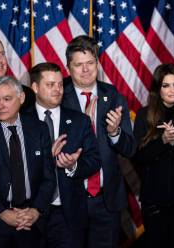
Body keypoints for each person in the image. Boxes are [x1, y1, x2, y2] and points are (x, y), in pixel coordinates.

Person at [60, 35, 136, 248]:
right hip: (70, 200)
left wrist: (115, 132)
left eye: (90, 63)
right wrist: (82, 122)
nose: (85, 69)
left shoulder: (112, 95)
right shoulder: (58, 95)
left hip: (106, 201)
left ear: (98, 63)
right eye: (78, 64)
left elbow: (130, 148)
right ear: (68, 67)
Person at [0, 76, 56, 247]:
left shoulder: (39, 128)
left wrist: (36, 210)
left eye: (7, 99)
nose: (0, 105)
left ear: (21, 98)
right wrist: (2, 213)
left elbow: (48, 177)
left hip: (31, 223)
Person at [29, 62, 100, 248]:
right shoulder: (21, 119)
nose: (57, 89)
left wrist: (73, 166)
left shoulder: (79, 121)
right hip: (30, 215)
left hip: (68, 216)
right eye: (50, 85)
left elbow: (94, 160)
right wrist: (46, 157)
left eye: (60, 84)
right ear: (35, 87)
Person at [133, 64, 174, 247]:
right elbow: (137, 157)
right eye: (166, 85)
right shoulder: (144, 115)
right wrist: (163, 141)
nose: (172, 90)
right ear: (157, 90)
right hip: (154, 203)